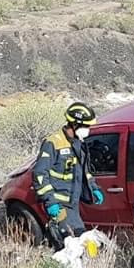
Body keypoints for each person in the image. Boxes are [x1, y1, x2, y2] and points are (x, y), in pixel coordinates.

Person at [33, 102, 104, 244]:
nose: (88, 129)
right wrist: (50, 202)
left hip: (73, 203)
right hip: (59, 206)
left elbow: (84, 171)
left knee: (79, 240)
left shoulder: (78, 143)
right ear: (74, 124)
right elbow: (39, 174)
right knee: (70, 244)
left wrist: (94, 188)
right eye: (86, 126)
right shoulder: (53, 143)